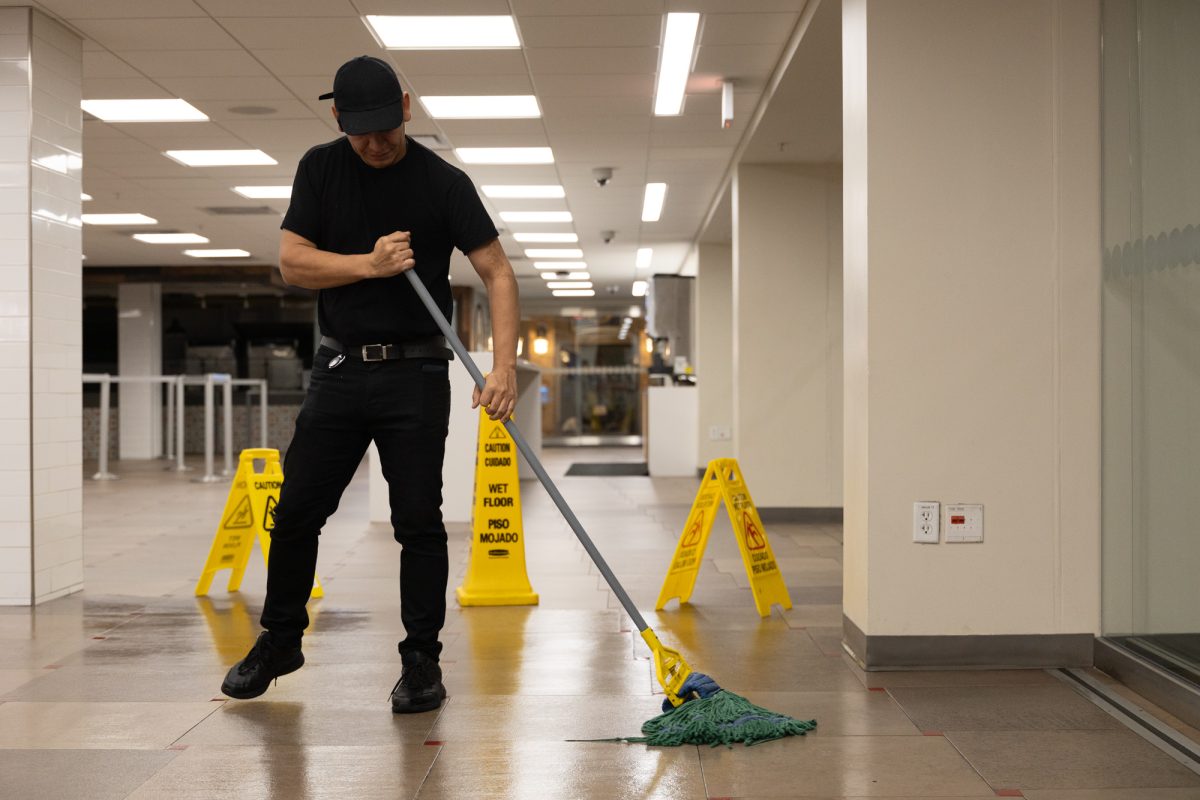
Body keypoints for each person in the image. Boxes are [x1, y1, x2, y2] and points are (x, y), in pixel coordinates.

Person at [220, 55, 519, 714]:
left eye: (387, 127)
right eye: (363, 132)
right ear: (339, 120)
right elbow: (293, 263)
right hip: (339, 368)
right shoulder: (320, 167)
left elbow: (497, 270)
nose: (377, 143)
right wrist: (370, 264)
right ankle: (280, 638)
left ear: (406, 109)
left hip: (416, 372)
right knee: (295, 510)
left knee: (418, 521)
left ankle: (421, 663)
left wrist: (503, 366)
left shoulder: (444, 182)